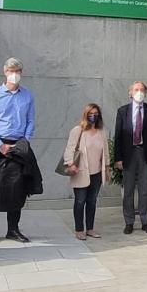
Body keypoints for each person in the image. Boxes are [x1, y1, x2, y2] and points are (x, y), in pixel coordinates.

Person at [0, 58, 37, 244]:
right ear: (5, 72)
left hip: (19, 146)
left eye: (18, 70)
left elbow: (30, 121)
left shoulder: (27, 95)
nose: (15, 73)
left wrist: (24, 142)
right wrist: (0, 145)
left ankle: (13, 228)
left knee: (17, 186)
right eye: (11, 70)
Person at [114, 81, 147, 235]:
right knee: (127, 190)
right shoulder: (122, 111)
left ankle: (145, 221)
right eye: (136, 89)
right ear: (130, 93)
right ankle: (129, 222)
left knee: (144, 190)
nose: (139, 92)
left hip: (145, 153)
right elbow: (118, 136)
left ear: (146, 92)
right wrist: (118, 158)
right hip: (128, 154)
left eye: (142, 89)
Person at [63, 103, 109, 240]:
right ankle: (79, 229)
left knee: (92, 201)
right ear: (86, 115)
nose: (93, 116)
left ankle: (90, 228)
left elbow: (105, 152)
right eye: (90, 114)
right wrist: (70, 164)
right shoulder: (78, 130)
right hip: (81, 172)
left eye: (95, 114)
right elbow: (70, 148)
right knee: (80, 201)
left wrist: (107, 168)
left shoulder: (102, 132)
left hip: (96, 173)